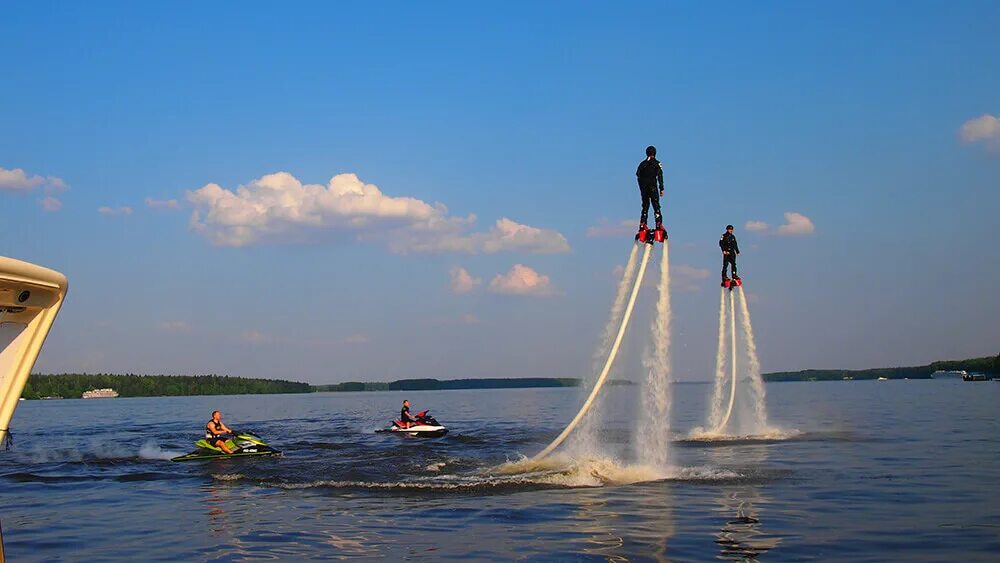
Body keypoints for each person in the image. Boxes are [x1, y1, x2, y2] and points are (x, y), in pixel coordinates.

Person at [636, 145, 665, 230]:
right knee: (656, 205)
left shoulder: (642, 164)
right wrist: (661, 188)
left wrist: (641, 186)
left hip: (644, 188)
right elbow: (660, 175)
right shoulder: (657, 163)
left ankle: (643, 223)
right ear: (655, 153)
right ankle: (658, 223)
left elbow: (638, 174)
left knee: (645, 205)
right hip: (652, 187)